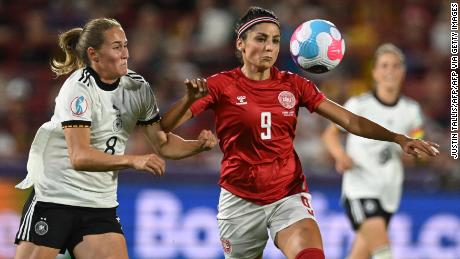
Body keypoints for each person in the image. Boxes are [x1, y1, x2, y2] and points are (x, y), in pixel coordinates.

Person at [161, 7, 439, 259]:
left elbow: (350, 121)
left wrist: (398, 138)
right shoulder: (221, 85)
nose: (269, 47)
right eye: (260, 39)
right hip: (239, 200)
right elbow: (164, 127)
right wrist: (187, 100)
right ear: (240, 44)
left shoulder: (294, 85)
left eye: (274, 40)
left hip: (287, 194)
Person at [13, 18, 217, 259]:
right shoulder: (78, 89)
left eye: (126, 45)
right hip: (55, 196)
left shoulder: (137, 88)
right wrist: (133, 161)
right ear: (94, 54)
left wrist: (198, 145)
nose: (125, 54)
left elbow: (162, 144)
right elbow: (79, 156)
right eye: (117, 47)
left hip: (99, 203)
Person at [321, 43, 428, 259]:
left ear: (403, 71)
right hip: (360, 189)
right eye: (385, 65)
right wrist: (341, 155)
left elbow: (419, 142)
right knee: (383, 252)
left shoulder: (412, 110)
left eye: (396, 66)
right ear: (375, 72)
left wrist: (417, 154)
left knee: (361, 255)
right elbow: (330, 134)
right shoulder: (359, 105)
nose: (390, 71)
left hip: (389, 192)